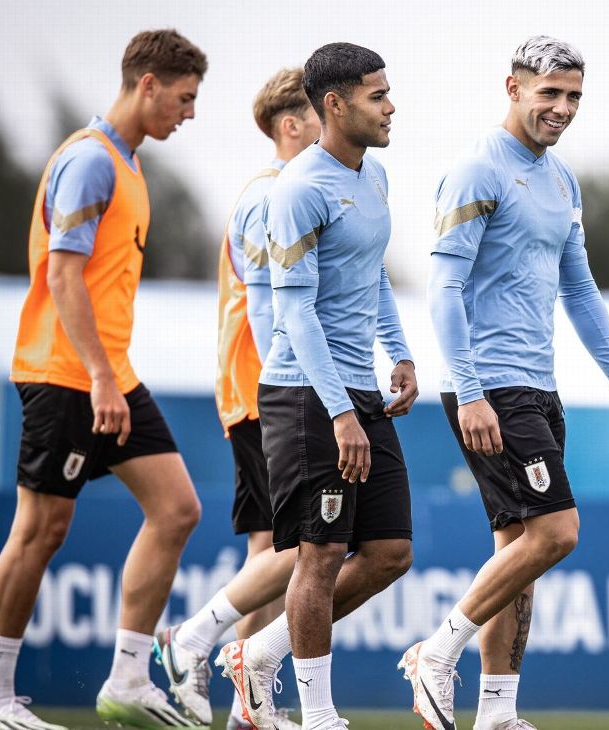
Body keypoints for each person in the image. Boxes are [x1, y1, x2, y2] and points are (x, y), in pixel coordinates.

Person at [399, 35, 609, 730]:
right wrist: (469, 388)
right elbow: (443, 289)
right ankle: (436, 653)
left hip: (538, 385)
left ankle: (498, 713)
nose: (563, 108)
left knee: (519, 551)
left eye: (573, 96)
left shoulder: (561, 180)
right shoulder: (477, 169)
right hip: (491, 386)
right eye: (550, 94)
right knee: (558, 531)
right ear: (512, 89)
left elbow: (580, 286)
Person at [0, 29, 208, 730]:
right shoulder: (90, 162)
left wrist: (111, 375)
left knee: (178, 509)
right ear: (148, 84)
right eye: (184, 99)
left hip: (109, 373)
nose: (187, 114)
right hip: (66, 372)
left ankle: (128, 679)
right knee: (41, 529)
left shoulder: (129, 166)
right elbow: (63, 276)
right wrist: (100, 376)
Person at [214, 42, 416, 730]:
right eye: (377, 96)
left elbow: (372, 274)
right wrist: (339, 413)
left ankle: (259, 656)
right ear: (335, 104)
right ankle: (319, 714)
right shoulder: (297, 188)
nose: (391, 107)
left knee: (390, 553)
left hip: (359, 389)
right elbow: (293, 313)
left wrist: (402, 353)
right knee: (322, 552)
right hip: (306, 394)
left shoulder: (376, 178)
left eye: (388, 93)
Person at [152, 67, 320, 730]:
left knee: (274, 551)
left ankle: (248, 701)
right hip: (265, 392)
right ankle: (194, 646)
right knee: (294, 549)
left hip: (263, 390)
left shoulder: (290, 192)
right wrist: (291, 386)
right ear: (290, 127)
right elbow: (262, 306)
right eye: (318, 116)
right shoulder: (269, 196)